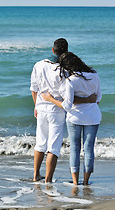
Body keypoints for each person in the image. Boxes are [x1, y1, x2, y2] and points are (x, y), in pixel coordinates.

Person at [30, 38, 95, 183]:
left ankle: (35, 175)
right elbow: (68, 98)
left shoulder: (38, 65)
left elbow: (34, 89)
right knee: (53, 146)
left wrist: (36, 106)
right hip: (56, 110)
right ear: (65, 52)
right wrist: (88, 99)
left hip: (40, 108)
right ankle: (48, 180)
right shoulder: (64, 70)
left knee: (40, 142)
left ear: (52, 50)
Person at [41, 52, 101, 185]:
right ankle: (86, 181)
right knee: (89, 148)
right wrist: (87, 100)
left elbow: (67, 105)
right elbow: (98, 98)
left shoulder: (71, 81)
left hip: (75, 117)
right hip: (93, 116)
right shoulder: (94, 75)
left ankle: (75, 182)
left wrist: (50, 99)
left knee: (75, 148)